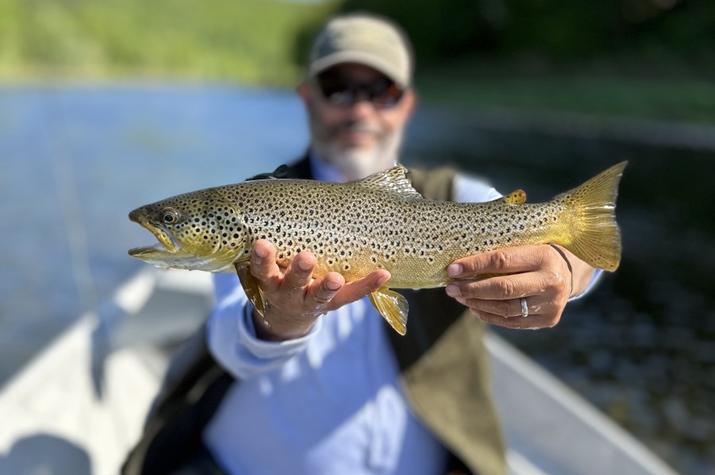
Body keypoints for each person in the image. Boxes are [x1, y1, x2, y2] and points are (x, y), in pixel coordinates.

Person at [123, 13, 601, 475]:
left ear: (407, 105)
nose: (359, 108)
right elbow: (232, 339)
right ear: (307, 98)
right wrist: (278, 322)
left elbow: (584, 256)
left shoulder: (458, 197)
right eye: (339, 88)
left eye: (381, 91)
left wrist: (564, 265)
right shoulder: (260, 198)